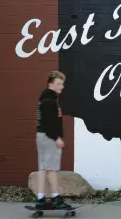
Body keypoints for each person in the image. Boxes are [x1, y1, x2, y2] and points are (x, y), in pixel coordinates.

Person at [35, 70, 72, 210]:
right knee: (52, 170)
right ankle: (56, 198)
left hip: (42, 136)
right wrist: (56, 138)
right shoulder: (49, 101)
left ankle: (40, 199)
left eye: (62, 84)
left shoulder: (45, 99)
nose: (62, 86)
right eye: (59, 83)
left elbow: (43, 122)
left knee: (43, 168)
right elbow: (48, 122)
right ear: (51, 84)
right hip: (48, 137)